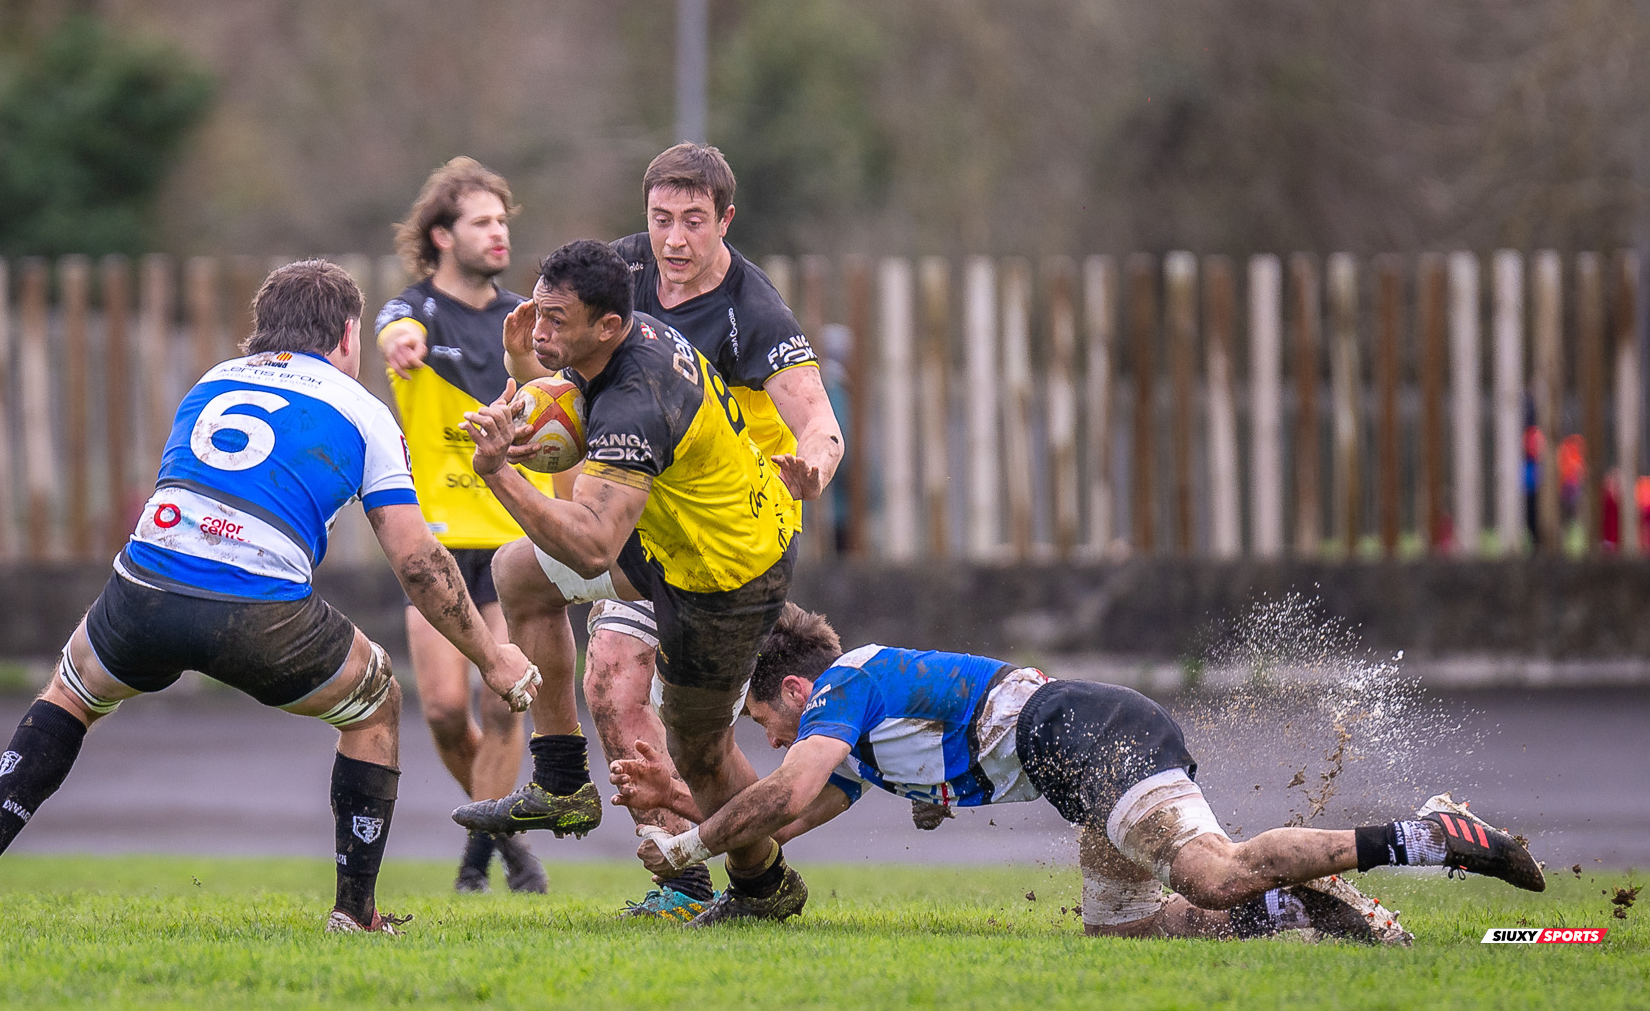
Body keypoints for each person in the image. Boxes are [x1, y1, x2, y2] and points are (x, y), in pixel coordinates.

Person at [0, 261, 539, 934]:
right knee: (376, 703)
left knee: (71, 693)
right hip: (258, 609)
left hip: (145, 588)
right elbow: (418, 561)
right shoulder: (364, 412)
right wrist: (491, 657)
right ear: (348, 335)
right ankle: (354, 913)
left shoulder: (212, 381)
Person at [614, 605, 1546, 940]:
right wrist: (676, 799)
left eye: (764, 721)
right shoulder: (856, 743)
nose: (772, 738)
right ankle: (1296, 907)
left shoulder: (845, 685)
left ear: (794, 688)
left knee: (1211, 875)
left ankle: (1430, 836)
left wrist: (688, 847)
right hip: (1074, 761)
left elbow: (779, 793)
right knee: (1127, 928)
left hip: (1084, 733)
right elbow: (782, 820)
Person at [502, 142, 844, 919]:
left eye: (694, 220)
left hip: (727, 545)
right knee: (556, 617)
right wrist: (529, 371)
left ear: (726, 220)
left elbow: (819, 419)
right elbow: (570, 376)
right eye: (662, 219)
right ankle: (589, 803)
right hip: (646, 526)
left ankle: (758, 870)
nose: (675, 239)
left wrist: (815, 466)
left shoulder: (754, 313)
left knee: (697, 745)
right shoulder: (623, 272)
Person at [452, 239, 809, 925]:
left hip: (727, 576)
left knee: (699, 755)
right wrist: (529, 386)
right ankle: (562, 781)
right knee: (518, 573)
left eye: (556, 320)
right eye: (538, 311)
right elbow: (579, 428)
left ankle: (763, 883)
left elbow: (591, 548)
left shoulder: (635, 398)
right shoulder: (619, 346)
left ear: (608, 325)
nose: (540, 330)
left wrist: (497, 472)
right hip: (677, 541)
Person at [374, 157, 553, 895]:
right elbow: (392, 330)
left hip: (515, 537)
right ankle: (506, 838)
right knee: (447, 712)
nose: (498, 232)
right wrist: (399, 345)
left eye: (503, 221)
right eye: (482, 222)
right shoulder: (411, 312)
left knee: (504, 701)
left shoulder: (525, 320)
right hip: (439, 540)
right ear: (443, 236)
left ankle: (475, 864)